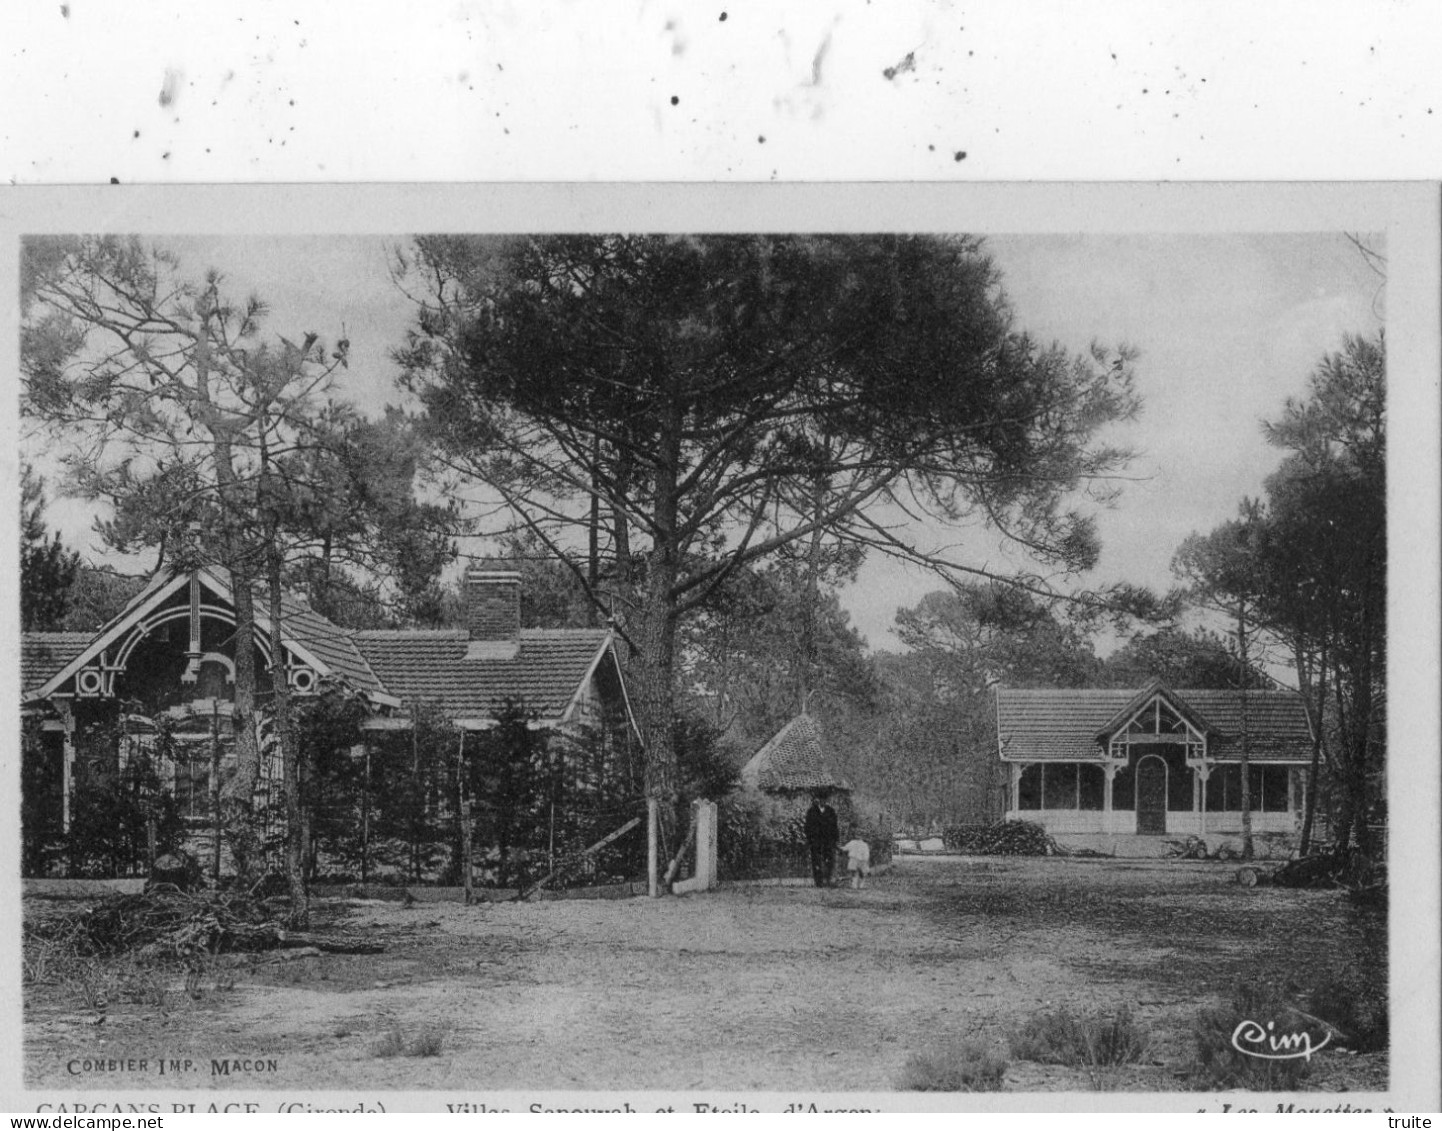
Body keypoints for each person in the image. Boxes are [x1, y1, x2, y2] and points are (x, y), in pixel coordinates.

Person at [803, 793, 840, 888]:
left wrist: (835, 839)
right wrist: (810, 838)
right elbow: (807, 826)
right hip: (816, 840)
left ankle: (828, 880)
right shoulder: (811, 811)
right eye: (821, 799)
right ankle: (818, 882)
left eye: (825, 800)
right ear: (818, 800)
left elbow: (834, 826)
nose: (823, 801)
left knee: (829, 860)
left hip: (828, 840)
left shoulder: (831, 811)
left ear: (827, 801)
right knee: (816, 861)